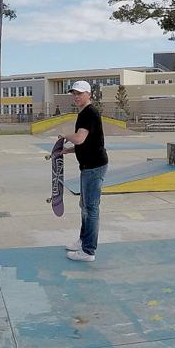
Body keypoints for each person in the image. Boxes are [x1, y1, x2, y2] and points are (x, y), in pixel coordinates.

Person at [59, 80, 108, 262]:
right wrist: (68, 150)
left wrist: (65, 136)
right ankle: (83, 241)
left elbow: (79, 138)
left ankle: (88, 251)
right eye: (74, 94)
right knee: (85, 207)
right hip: (89, 166)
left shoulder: (89, 113)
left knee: (91, 208)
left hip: (94, 167)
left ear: (89, 94)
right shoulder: (85, 114)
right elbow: (86, 142)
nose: (76, 97)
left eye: (80, 93)